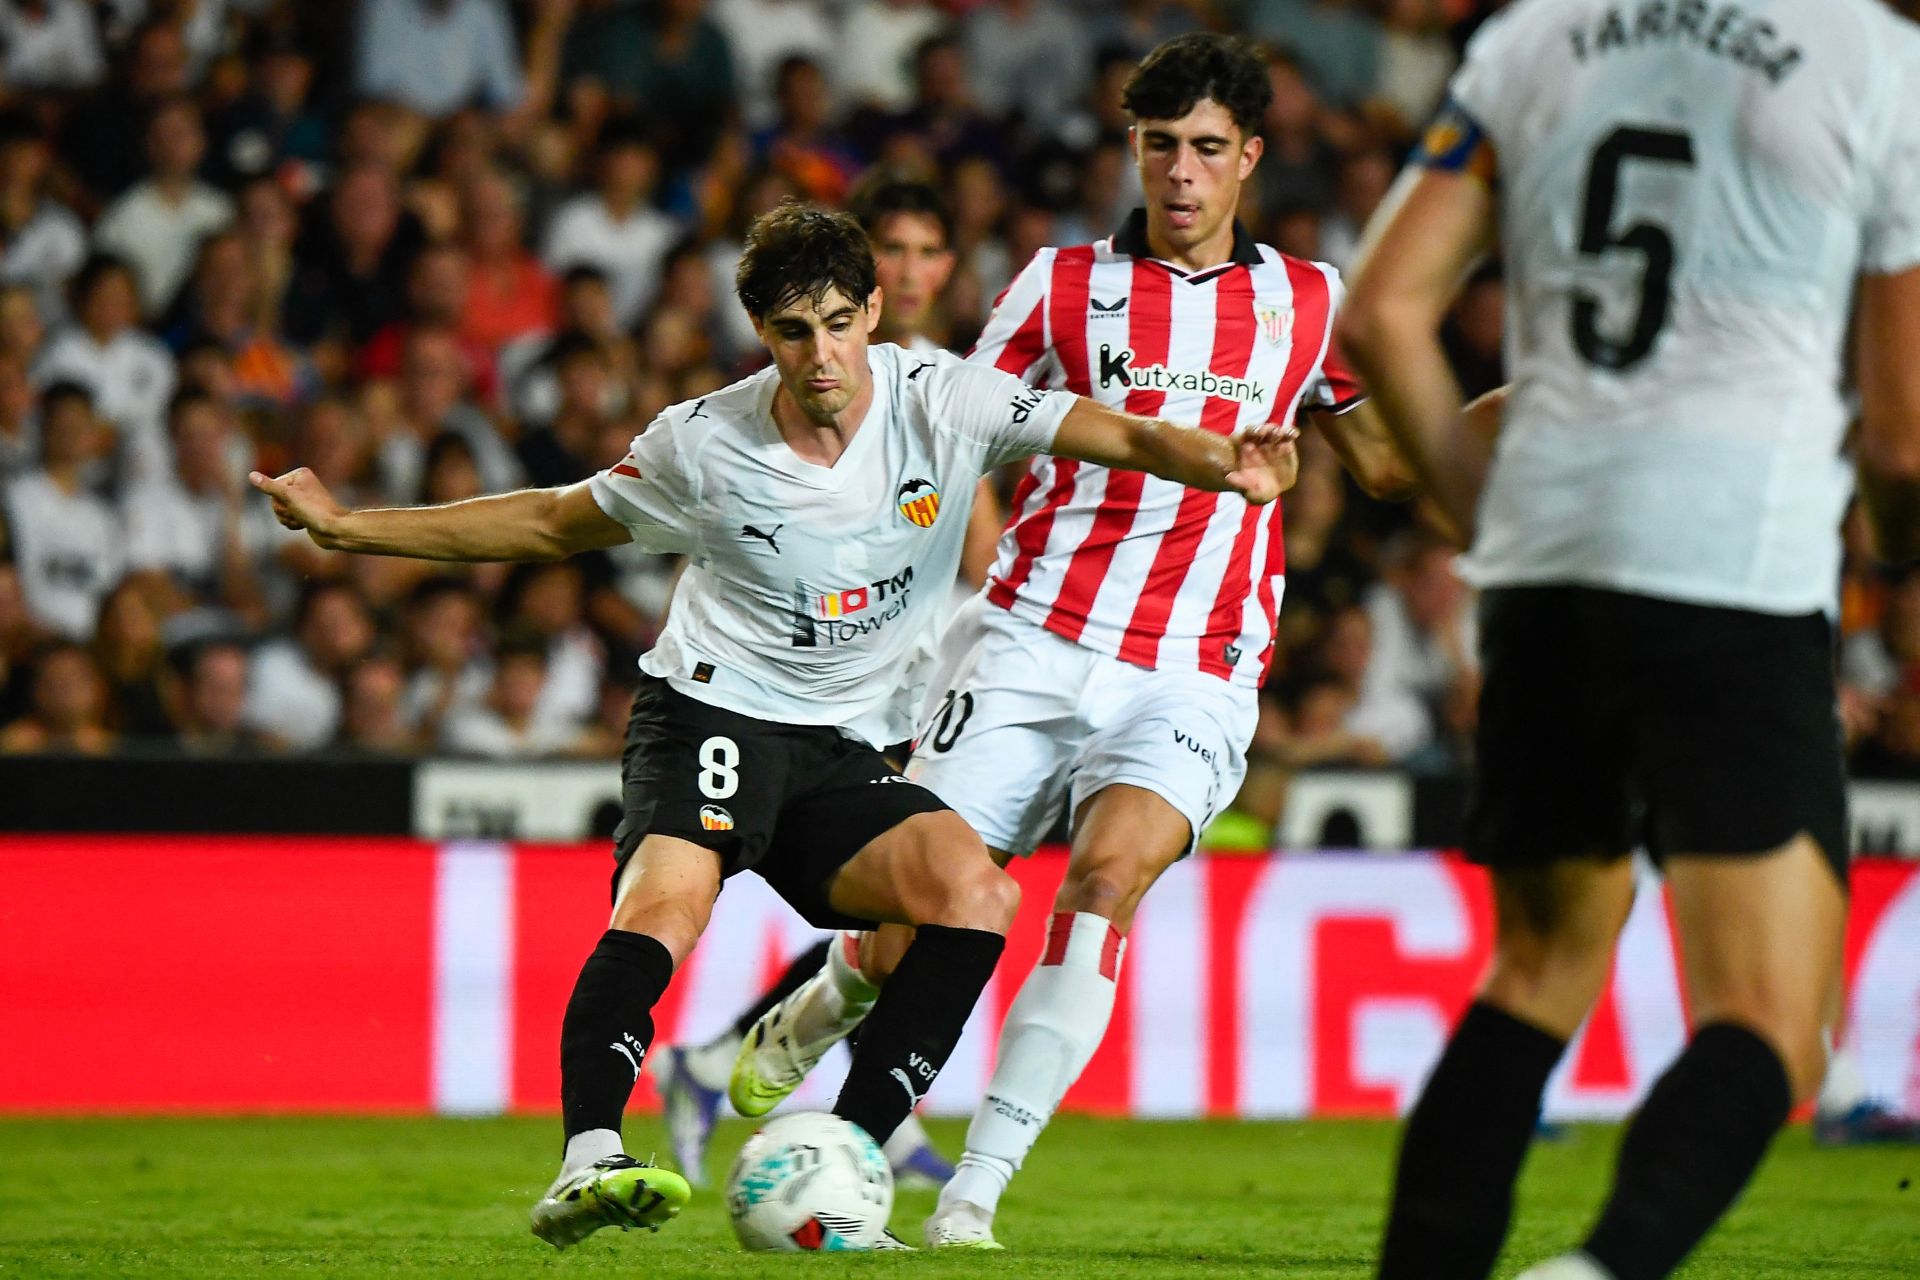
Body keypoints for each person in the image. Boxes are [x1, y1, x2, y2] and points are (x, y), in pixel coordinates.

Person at [250, 200, 1298, 1250]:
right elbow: (547, 520)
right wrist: (350, 529)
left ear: (875, 310)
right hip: (714, 707)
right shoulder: (704, 444)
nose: (823, 353)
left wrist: (1223, 462)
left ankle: (843, 1163)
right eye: (795, 331)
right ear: (762, 330)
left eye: (841, 321)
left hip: (840, 745)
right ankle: (588, 1157)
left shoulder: (947, 400)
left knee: (974, 893)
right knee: (669, 900)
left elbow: (1117, 430)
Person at [727, 33, 1414, 1250]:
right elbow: (951, 429)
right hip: (1032, 636)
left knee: (1103, 887)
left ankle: (974, 1191)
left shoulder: (1311, 303)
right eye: (1161, 147)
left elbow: (1390, 470)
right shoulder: (1056, 283)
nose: (1183, 174)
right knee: (915, 925)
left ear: (1250, 156)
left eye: (1208, 149)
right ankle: (836, 988)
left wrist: (1472, 427)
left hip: (1196, 661)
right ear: (1133, 149)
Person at [1334, 2, 1920, 1277]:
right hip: (1732, 572)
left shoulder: (1536, 38)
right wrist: (1899, 545)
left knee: (1533, 974)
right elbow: (1901, 437)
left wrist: (1492, 520)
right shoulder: (1874, 58)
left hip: (1546, 576)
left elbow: (1380, 313)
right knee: (1772, 1022)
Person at [648, 174, 991, 1189]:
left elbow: (981, 547)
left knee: (928, 912)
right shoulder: (816, 390)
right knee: (939, 903)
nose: (918, 270)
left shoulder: (941, 385)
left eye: (934, 253)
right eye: (901, 250)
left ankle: (734, 1064)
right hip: (836, 694)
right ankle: (847, 1110)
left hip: (918, 679)